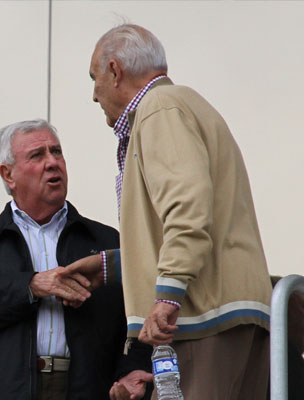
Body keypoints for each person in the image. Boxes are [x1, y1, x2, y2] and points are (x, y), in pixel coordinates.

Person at [64, 24, 273, 399]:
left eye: (94, 78)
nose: (94, 95)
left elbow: (186, 209)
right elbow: (191, 217)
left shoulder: (159, 108)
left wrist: (167, 296)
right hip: (224, 311)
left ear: (115, 71)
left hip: (205, 316)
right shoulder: (184, 105)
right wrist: (114, 266)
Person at [0, 119, 152, 400]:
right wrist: (30, 286)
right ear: (8, 174)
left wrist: (132, 369)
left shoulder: (105, 241)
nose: (53, 162)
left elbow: (142, 316)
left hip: (88, 389)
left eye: (57, 152)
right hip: (6, 389)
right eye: (37, 155)